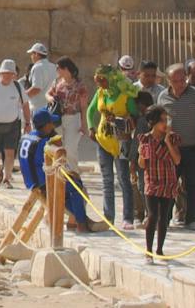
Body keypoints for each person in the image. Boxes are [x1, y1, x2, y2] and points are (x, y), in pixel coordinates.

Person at [160, 63, 195, 228]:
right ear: (169, 81)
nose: (180, 84)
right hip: (171, 148)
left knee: (193, 183)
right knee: (170, 184)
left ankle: (192, 218)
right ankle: (166, 217)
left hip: (194, 146)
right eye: (175, 81)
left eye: (182, 80)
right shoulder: (163, 97)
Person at [19, 109, 89, 231]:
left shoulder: (26, 137)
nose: (53, 126)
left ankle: (72, 220)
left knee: (72, 180)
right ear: (46, 126)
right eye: (51, 123)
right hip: (42, 184)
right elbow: (54, 164)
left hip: (30, 181)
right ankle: (81, 222)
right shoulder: (45, 143)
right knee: (77, 187)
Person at [89, 63, 139, 229]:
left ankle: (128, 218)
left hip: (121, 141)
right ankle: (108, 216)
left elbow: (134, 116)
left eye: (102, 80)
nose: (100, 84)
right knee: (107, 180)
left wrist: (118, 120)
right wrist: (91, 127)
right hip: (103, 140)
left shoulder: (126, 95)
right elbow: (90, 111)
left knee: (124, 179)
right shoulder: (100, 93)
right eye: (98, 81)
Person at [140, 105, 182, 257]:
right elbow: (142, 164)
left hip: (168, 183)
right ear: (153, 122)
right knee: (152, 215)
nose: (165, 123)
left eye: (166, 120)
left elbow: (177, 160)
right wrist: (140, 154)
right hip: (152, 182)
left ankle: (160, 249)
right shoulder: (145, 139)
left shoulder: (173, 137)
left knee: (164, 217)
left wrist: (168, 142)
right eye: (162, 120)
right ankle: (149, 249)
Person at [0, 59, 31, 183]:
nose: (8, 75)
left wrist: (28, 123)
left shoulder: (17, 86)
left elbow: (25, 104)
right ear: (0, 73)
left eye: (11, 73)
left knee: (10, 152)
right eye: (5, 73)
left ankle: (7, 177)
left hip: (13, 124)